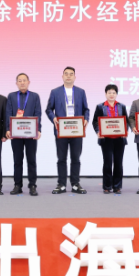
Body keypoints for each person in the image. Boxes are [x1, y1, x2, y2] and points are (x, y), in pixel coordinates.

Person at [45, 66, 90, 194]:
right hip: (61, 130)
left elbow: (86, 109)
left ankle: (75, 184)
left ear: (75, 77)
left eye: (71, 74)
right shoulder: (55, 92)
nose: (68, 76)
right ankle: (61, 184)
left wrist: (86, 119)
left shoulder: (81, 92)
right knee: (61, 159)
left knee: (76, 158)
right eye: (66, 74)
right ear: (62, 76)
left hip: (77, 130)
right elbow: (49, 109)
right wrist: (53, 118)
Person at [5, 73, 42, 196]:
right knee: (17, 160)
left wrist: (38, 130)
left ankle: (32, 185)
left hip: (31, 133)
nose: (22, 83)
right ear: (16, 83)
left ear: (28, 82)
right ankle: (17, 185)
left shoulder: (35, 96)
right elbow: (8, 112)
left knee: (31, 160)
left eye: (24, 80)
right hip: (15, 133)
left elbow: (38, 113)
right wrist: (8, 129)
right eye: (19, 81)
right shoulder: (11, 96)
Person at [92, 84, 128, 194]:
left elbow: (125, 121)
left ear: (116, 94)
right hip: (106, 139)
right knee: (107, 163)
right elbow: (95, 121)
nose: (111, 95)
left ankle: (117, 186)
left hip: (119, 139)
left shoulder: (121, 106)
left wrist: (125, 131)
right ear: (105, 94)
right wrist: (98, 132)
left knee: (118, 163)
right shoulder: (100, 106)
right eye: (109, 93)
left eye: (113, 93)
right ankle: (107, 186)